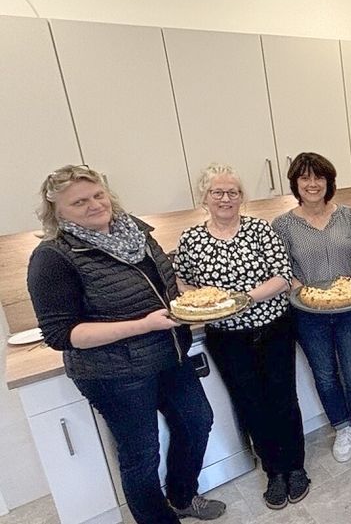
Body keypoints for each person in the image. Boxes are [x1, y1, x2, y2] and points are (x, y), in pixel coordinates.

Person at [26, 165, 224, 523]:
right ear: (56, 211)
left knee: (197, 422)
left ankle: (181, 496)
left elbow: (164, 284)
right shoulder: (53, 256)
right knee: (141, 455)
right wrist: (142, 325)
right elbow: (62, 335)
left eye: (98, 194)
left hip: (169, 353)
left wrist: (194, 302)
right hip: (115, 373)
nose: (94, 205)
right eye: (79, 202)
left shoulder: (135, 232)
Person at [173, 164, 309, 510]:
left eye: (232, 192)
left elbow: (282, 275)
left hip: (273, 327)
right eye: (217, 192)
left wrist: (245, 299)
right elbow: (183, 282)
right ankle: (274, 472)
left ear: (241, 197)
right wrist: (202, 304)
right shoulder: (191, 239)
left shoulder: (260, 229)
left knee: (283, 400)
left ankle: (295, 468)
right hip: (227, 338)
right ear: (204, 197)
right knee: (251, 404)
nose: (225, 198)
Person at [272, 152, 351, 463]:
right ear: (295, 183)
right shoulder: (283, 225)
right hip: (308, 315)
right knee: (326, 375)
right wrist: (302, 289)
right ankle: (342, 427)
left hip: (349, 308)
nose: (312, 184)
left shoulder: (348, 216)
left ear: (329, 181)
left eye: (319, 177)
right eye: (305, 178)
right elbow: (281, 268)